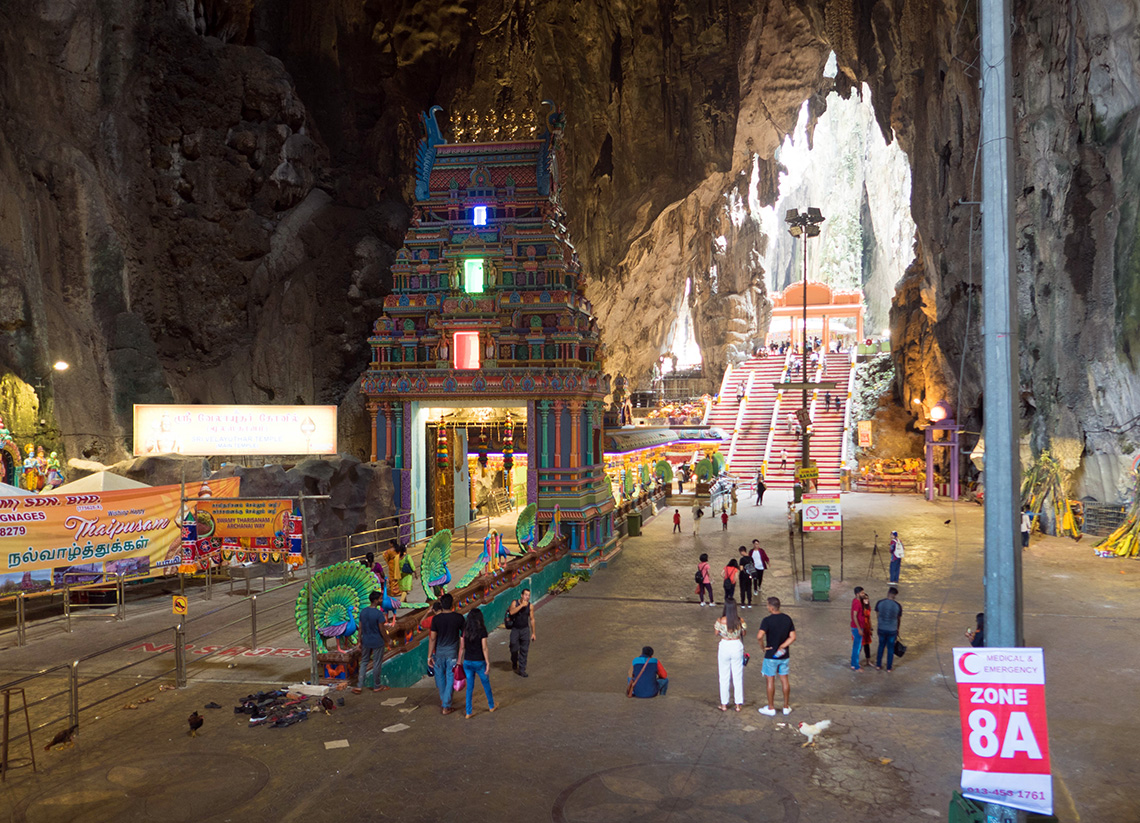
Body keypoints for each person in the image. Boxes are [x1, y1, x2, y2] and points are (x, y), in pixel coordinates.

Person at [757, 596, 796, 716]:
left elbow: (759, 636)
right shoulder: (787, 619)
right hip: (784, 656)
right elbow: (793, 637)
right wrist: (783, 646)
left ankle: (771, 708)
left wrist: (763, 647)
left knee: (770, 680)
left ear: (770, 607)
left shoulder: (767, 620)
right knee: (784, 679)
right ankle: (785, 706)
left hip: (770, 656)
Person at [427, 593, 465, 714]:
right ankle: (446, 705)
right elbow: (463, 636)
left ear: (441, 605)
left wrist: (429, 656)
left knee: (440, 678)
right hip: (452, 653)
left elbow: (432, 638)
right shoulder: (459, 618)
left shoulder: (436, 619)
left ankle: (444, 701)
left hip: (439, 653)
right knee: (450, 678)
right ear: (452, 604)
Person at [458, 607, 496, 717]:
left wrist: (459, 661)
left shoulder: (465, 631)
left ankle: (468, 712)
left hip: (467, 662)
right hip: (479, 662)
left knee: (469, 688)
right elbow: (484, 648)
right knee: (486, 684)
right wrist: (488, 662)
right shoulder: (482, 630)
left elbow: (461, 647)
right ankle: (491, 706)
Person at [352, 590, 391, 694]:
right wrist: (388, 640)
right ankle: (377, 685)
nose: (382, 600)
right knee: (376, 663)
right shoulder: (378, 614)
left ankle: (359, 686)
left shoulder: (363, 612)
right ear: (376, 600)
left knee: (364, 662)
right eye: (380, 599)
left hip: (366, 641)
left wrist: (359, 642)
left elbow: (360, 628)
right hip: (377, 641)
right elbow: (382, 630)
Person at [714, 599, 746, 711]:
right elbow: (744, 633)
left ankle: (724, 704)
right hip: (736, 646)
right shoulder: (740, 621)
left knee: (724, 676)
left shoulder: (720, 621)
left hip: (725, 645)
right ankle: (738, 704)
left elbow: (716, 632)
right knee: (737, 676)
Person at [507, 588, 536, 677]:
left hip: (525, 630)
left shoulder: (530, 606)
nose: (527, 597)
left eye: (528, 595)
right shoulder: (515, 603)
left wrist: (533, 633)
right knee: (513, 647)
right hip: (515, 629)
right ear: (522, 595)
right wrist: (521, 606)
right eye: (526, 595)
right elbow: (511, 612)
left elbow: (532, 619)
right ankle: (514, 660)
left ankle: (522, 669)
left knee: (524, 650)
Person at [874, 587, 903, 672]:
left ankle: (878, 665)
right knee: (890, 648)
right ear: (895, 595)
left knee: (881, 646)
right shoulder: (898, 606)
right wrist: (897, 629)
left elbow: (877, 615)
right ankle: (889, 668)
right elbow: (899, 619)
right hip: (892, 630)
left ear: (888, 593)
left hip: (881, 628)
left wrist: (881, 623)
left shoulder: (879, 603)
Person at [850, 586, 868, 671]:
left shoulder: (856, 601)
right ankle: (856, 666)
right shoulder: (857, 603)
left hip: (857, 627)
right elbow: (854, 616)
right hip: (857, 628)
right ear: (857, 594)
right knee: (857, 647)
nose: (863, 594)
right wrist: (859, 629)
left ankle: (854, 663)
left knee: (857, 647)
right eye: (862, 593)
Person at [859, 588, 873, 664]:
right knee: (860, 646)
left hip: (866, 628)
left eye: (867, 599)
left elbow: (869, 618)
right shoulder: (860, 608)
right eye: (865, 599)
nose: (866, 601)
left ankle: (868, 660)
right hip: (861, 628)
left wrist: (871, 627)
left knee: (867, 645)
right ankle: (855, 660)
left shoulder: (868, 608)